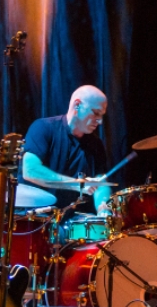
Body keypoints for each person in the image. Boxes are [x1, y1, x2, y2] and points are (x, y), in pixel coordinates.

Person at [21, 85, 112, 216]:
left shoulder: (96, 145)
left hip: (73, 220)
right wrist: (77, 185)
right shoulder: (43, 128)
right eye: (96, 113)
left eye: (102, 115)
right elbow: (30, 170)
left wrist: (103, 208)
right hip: (36, 219)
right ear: (77, 105)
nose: (100, 121)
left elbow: (100, 182)